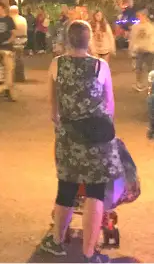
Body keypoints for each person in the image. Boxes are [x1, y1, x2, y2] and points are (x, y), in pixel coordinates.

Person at [39, 21, 123, 263]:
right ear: (89, 41)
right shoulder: (100, 66)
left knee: (66, 189)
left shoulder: (57, 64)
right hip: (97, 139)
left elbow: (53, 110)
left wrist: (65, 126)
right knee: (95, 192)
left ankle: (57, 241)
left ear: (68, 39)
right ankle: (89, 253)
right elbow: (109, 106)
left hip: (68, 138)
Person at [129, 9, 154, 92]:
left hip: (149, 50)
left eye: (141, 16)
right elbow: (132, 39)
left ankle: (151, 85)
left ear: (145, 16)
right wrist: (132, 49)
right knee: (138, 68)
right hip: (139, 50)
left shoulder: (150, 26)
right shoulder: (135, 27)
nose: (140, 17)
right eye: (139, 16)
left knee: (150, 68)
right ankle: (139, 84)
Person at [9, 6, 28, 81]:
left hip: (15, 40)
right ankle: (20, 76)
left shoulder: (11, 19)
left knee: (13, 57)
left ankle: (14, 76)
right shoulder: (23, 19)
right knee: (19, 57)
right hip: (24, 39)